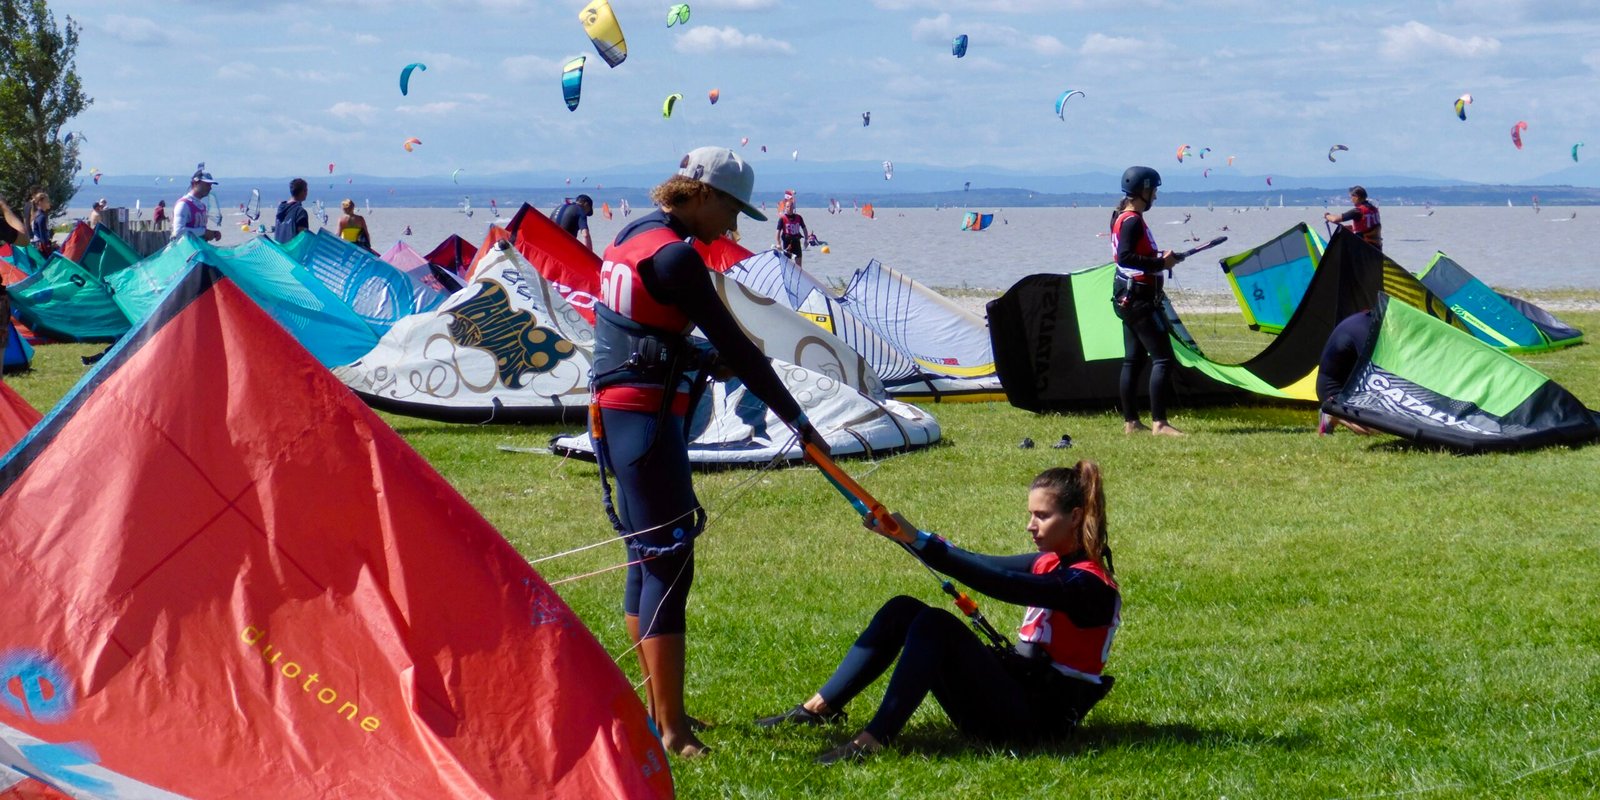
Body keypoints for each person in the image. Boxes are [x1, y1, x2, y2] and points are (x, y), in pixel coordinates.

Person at [589, 146, 830, 759]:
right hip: (646, 424)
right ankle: (672, 732)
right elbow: (741, 348)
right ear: (700, 194)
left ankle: (657, 710)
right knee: (669, 564)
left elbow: (639, 328)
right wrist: (799, 420)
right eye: (731, 210)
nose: (733, 226)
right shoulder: (676, 258)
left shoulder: (635, 235)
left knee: (646, 560)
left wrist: (694, 355)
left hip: (618, 418)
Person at [758, 462, 1121, 765]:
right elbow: (979, 562)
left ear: (1075, 517)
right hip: (1012, 699)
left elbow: (1003, 584)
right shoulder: (1048, 562)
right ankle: (818, 709)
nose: (1030, 525)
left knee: (936, 625)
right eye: (1031, 515)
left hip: (1036, 726)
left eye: (1042, 516)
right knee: (904, 609)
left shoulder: (1092, 586)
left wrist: (921, 541)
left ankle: (872, 741)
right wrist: (906, 536)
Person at [1110, 166, 1184, 436]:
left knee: (1133, 360)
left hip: (1128, 297)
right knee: (1163, 359)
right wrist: (1161, 263)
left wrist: (1160, 256)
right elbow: (1125, 257)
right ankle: (1159, 424)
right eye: (1153, 190)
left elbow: (1133, 254)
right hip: (1138, 299)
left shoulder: (1122, 216)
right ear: (1143, 190)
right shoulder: (1131, 221)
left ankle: (1131, 422)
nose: (1155, 196)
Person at [1316, 311, 1376, 435]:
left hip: (1345, 388)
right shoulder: (1363, 329)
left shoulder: (1364, 320)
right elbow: (1374, 368)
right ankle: (1331, 413)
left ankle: (1336, 412)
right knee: (1377, 427)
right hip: (1335, 392)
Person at [1324, 186, 1382, 250]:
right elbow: (1369, 226)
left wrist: (1327, 216)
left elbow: (1335, 219)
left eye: (1351, 197)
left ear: (1356, 197)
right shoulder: (1374, 209)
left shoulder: (1357, 211)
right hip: (1377, 247)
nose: (1351, 200)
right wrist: (1352, 228)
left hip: (1364, 248)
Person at [173, 169, 222, 242]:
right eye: (207, 184)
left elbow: (199, 230)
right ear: (195, 184)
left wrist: (212, 233)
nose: (210, 188)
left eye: (210, 185)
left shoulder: (202, 206)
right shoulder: (183, 204)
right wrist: (204, 232)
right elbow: (178, 232)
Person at [273, 178, 310, 244]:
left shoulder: (281, 209)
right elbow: (303, 238)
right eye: (306, 190)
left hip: (279, 249)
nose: (307, 193)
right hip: (292, 250)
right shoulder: (300, 212)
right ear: (302, 192)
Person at [26, 190, 55, 257]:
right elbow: (43, 237)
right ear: (40, 202)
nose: (49, 203)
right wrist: (49, 249)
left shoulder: (36, 214)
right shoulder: (41, 217)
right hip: (41, 247)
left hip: (36, 245)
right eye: (47, 201)